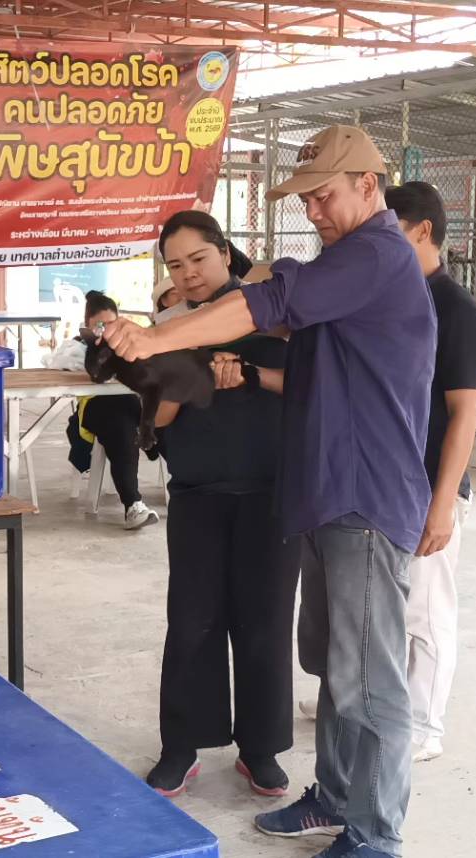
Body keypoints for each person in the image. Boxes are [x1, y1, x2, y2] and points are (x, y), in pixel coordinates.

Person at [103, 125, 435, 858]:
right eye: (304, 199)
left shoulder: (377, 251)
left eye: (323, 196)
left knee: (369, 682)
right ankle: (337, 799)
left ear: (368, 186)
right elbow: (282, 291)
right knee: (337, 670)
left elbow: (273, 301)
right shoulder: (346, 259)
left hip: (365, 496)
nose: (312, 211)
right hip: (325, 495)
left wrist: (156, 337)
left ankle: (376, 836)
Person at [141, 210, 294, 799]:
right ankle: (181, 746)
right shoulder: (166, 331)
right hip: (198, 497)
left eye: (198, 259)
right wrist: (191, 377)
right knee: (192, 624)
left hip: (271, 496)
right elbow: (152, 423)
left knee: (264, 624)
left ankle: (260, 749)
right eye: (175, 265)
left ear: (226, 255)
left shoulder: (275, 318)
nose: (188, 274)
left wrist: (249, 373)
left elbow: (310, 389)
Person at [382, 181, 476, 764]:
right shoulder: (394, 298)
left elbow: (464, 414)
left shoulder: (458, 312)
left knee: (425, 612)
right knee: (386, 610)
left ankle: (425, 727)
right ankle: (379, 704)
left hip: (430, 486)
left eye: (390, 233)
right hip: (387, 483)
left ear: (423, 231)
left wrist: (443, 503)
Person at [69, 290, 160, 530]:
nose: (106, 330)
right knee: (122, 428)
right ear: (88, 325)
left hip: (131, 403)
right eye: (100, 325)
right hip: (95, 406)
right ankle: (133, 505)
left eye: (111, 323)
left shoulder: (130, 344)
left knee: (166, 420)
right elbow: (89, 373)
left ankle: (195, 490)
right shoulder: (78, 347)